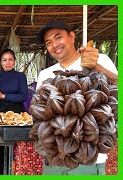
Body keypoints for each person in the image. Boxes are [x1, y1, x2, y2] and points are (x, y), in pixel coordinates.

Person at [36, 20, 118, 175]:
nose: (54, 44)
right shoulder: (45, 75)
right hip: (55, 159)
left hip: (88, 160)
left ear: (72, 36)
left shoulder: (99, 60)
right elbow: (42, 114)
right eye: (49, 42)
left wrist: (96, 67)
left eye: (58, 37)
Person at [0, 48, 28, 174]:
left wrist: (3, 96)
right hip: (1, 116)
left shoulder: (20, 76)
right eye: (4, 60)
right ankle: (1, 173)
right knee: (1, 147)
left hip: (18, 116)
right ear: (1, 62)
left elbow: (23, 96)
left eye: (10, 60)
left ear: (14, 62)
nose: (7, 62)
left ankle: (16, 172)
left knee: (17, 148)